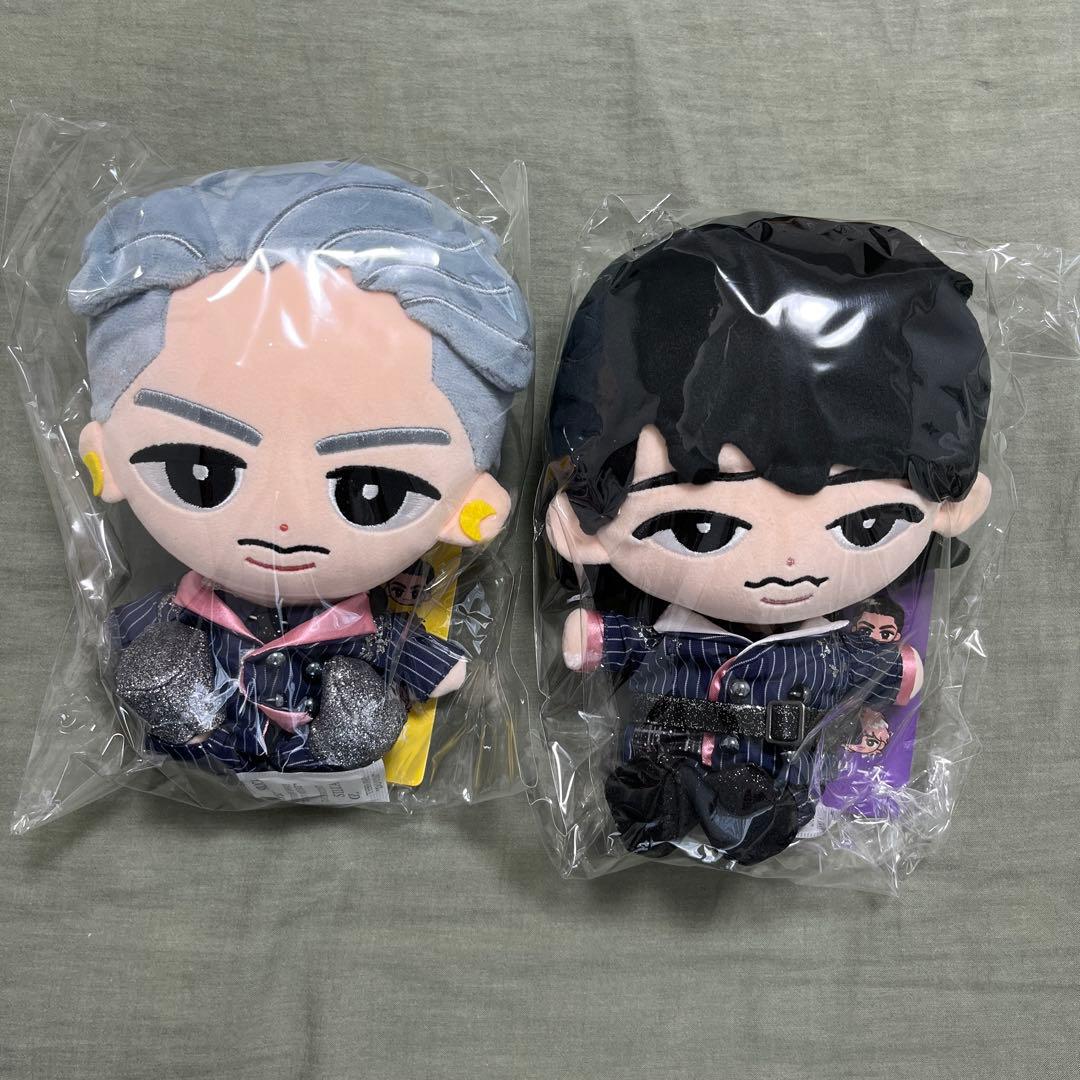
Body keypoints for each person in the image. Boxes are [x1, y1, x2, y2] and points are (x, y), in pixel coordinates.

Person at [544, 215, 990, 864]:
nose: (786, 565)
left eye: (865, 524)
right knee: (647, 799)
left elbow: (874, 669)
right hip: (661, 765)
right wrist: (594, 639)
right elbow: (631, 644)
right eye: (699, 527)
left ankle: (754, 821)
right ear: (587, 530)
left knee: (767, 806)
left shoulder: (829, 655)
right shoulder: (676, 637)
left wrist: (901, 671)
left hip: (776, 776)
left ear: (952, 508)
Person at [70, 163, 533, 773]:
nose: (283, 520)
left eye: (372, 490)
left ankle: (332, 744)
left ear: (472, 507)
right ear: (105, 460)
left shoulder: (360, 626)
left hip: (319, 741)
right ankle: (200, 729)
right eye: (201, 473)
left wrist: (435, 670)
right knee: (156, 667)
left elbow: (405, 649)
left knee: (364, 709)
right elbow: (123, 636)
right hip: (207, 737)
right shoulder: (188, 610)